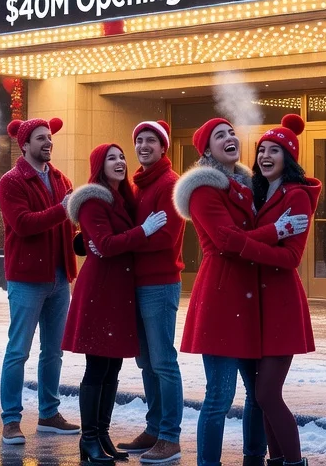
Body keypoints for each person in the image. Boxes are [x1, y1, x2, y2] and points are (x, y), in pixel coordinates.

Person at [175, 116, 308, 466]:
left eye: (232, 132)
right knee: (219, 395)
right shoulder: (204, 189)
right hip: (221, 296)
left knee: (256, 394)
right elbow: (225, 240)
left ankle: (254, 457)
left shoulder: (250, 187)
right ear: (207, 149)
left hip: (250, 301)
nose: (230, 137)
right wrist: (275, 230)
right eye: (220, 135)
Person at [63, 143, 166, 464]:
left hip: (118, 291)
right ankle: (88, 438)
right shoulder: (94, 199)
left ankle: (102, 433)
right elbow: (106, 244)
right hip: (101, 290)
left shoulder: (123, 198)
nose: (120, 162)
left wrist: (86, 240)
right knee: (97, 367)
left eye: (122, 157)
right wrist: (143, 230)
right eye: (112, 158)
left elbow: (97, 239)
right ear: (99, 165)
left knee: (113, 366)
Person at [0, 117, 78, 445]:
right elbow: (24, 224)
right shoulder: (11, 181)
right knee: (19, 350)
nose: (48, 142)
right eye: (41, 138)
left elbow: (66, 224)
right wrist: (63, 209)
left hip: (60, 276)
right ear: (25, 144)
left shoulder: (61, 179)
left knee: (53, 351)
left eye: (49, 137)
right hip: (27, 279)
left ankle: (49, 414)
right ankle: (11, 419)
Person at [247, 115, 321, 466]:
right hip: (257, 305)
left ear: (288, 157)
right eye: (262, 149)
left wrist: (247, 245)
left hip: (281, 306)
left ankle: (294, 462)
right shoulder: (260, 193)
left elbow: (291, 257)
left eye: (274, 150)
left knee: (266, 393)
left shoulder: (296, 196)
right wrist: (271, 231)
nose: (265, 156)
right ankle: (277, 461)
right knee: (263, 397)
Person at [117, 120, 185, 465]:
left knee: (163, 362)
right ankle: (155, 427)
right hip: (139, 282)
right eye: (139, 140)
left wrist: (128, 241)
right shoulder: (139, 184)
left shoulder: (169, 184)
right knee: (146, 362)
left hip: (159, 283)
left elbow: (165, 239)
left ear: (163, 148)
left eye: (150, 141)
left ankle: (170, 437)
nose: (143, 146)